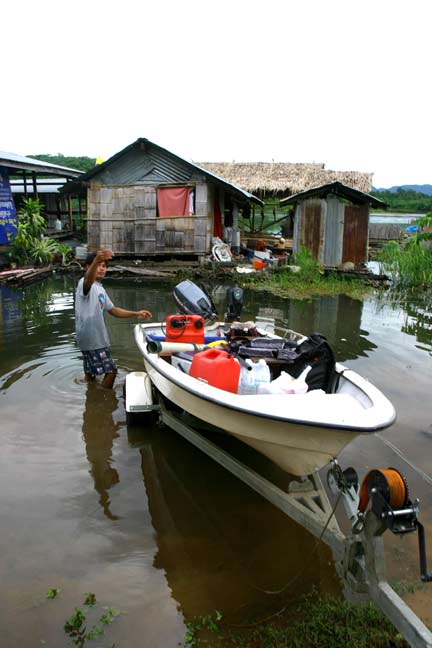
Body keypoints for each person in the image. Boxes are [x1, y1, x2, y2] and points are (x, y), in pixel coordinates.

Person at [75, 248, 152, 388]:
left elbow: (113, 310)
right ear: (88, 267)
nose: (101, 268)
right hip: (94, 339)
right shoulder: (84, 284)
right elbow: (88, 279)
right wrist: (97, 259)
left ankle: (90, 395)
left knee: (91, 375)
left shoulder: (100, 289)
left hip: (86, 338)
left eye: (104, 266)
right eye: (98, 265)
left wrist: (136, 313)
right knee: (111, 371)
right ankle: (102, 400)